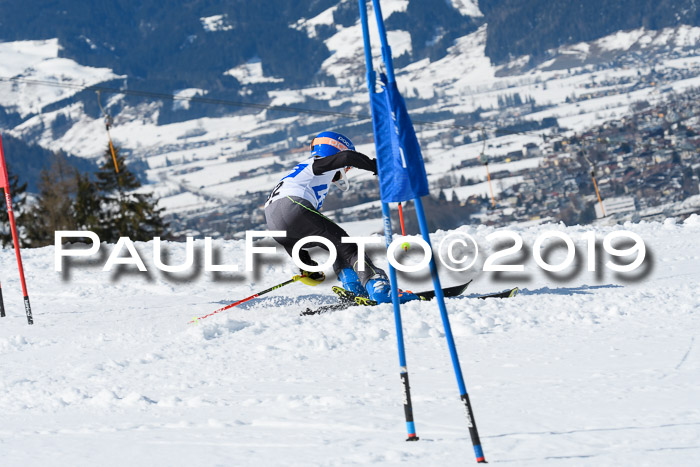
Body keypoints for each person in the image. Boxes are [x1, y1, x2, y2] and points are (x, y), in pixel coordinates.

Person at [264, 130, 418, 304]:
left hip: (273, 219)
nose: (345, 170)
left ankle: (353, 286)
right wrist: (378, 167)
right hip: (292, 206)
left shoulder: (297, 174)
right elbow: (346, 157)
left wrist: (307, 267)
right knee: (349, 247)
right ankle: (379, 287)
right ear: (333, 151)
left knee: (336, 245)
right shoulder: (317, 163)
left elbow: (289, 239)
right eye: (346, 169)